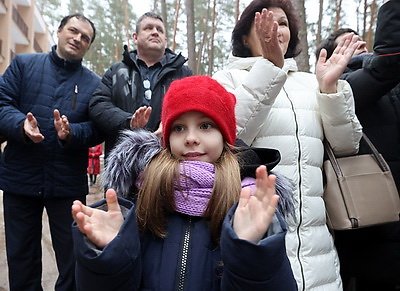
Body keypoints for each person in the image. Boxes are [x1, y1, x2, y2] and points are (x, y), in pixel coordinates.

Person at [71, 75, 297, 290]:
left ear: (225, 136)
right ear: (167, 137)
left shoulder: (249, 202)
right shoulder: (142, 190)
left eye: (206, 125)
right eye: (179, 128)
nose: (190, 138)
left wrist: (251, 249)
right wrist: (111, 252)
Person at [212, 0, 363, 290]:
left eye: (282, 23)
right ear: (244, 37)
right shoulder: (226, 79)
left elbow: (347, 145)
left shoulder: (311, 82)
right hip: (258, 236)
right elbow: (231, 135)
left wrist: (330, 90)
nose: (276, 29)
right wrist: (270, 67)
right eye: (264, 22)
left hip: (319, 246)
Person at [0, 13, 103, 290]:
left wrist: (71, 134)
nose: (77, 38)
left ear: (88, 46)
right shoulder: (23, 65)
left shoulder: (94, 84)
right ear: (59, 31)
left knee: (73, 259)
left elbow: (97, 127)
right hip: (20, 178)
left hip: (67, 183)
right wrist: (20, 125)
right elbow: (2, 103)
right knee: (21, 257)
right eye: (73, 31)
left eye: (85, 37)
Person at [316, 0, 400, 290]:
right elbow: (388, 63)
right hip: (372, 221)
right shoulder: (346, 85)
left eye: (359, 39)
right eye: (347, 43)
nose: (358, 44)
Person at [89, 11, 192, 158]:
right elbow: (97, 105)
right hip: (123, 162)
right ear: (135, 37)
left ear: (166, 39)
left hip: (170, 159)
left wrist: (170, 124)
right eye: (148, 28)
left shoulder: (184, 74)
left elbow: (195, 107)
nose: (155, 32)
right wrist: (129, 121)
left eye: (160, 30)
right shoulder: (116, 71)